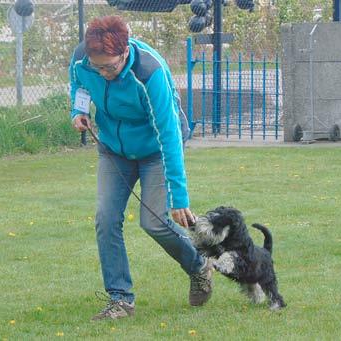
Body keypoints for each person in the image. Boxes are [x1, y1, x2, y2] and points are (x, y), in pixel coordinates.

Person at [68, 15, 212, 321]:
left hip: (155, 149)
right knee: (105, 219)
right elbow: (79, 84)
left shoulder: (149, 72)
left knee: (155, 222)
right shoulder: (83, 59)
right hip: (113, 148)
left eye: (110, 66)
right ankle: (120, 299)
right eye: (99, 67)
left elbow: (170, 134)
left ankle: (199, 264)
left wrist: (179, 196)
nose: (104, 73)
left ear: (124, 52)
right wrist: (78, 110)